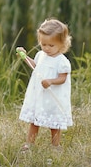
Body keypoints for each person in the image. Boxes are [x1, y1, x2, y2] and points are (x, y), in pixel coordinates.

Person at [16, 18, 73, 149]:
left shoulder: (61, 61)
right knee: (34, 121)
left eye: (51, 45)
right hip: (40, 96)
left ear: (62, 44)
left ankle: (55, 145)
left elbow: (62, 78)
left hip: (53, 97)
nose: (46, 48)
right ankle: (29, 144)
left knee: (54, 124)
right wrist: (24, 56)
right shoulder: (41, 55)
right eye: (43, 44)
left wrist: (51, 81)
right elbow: (36, 67)